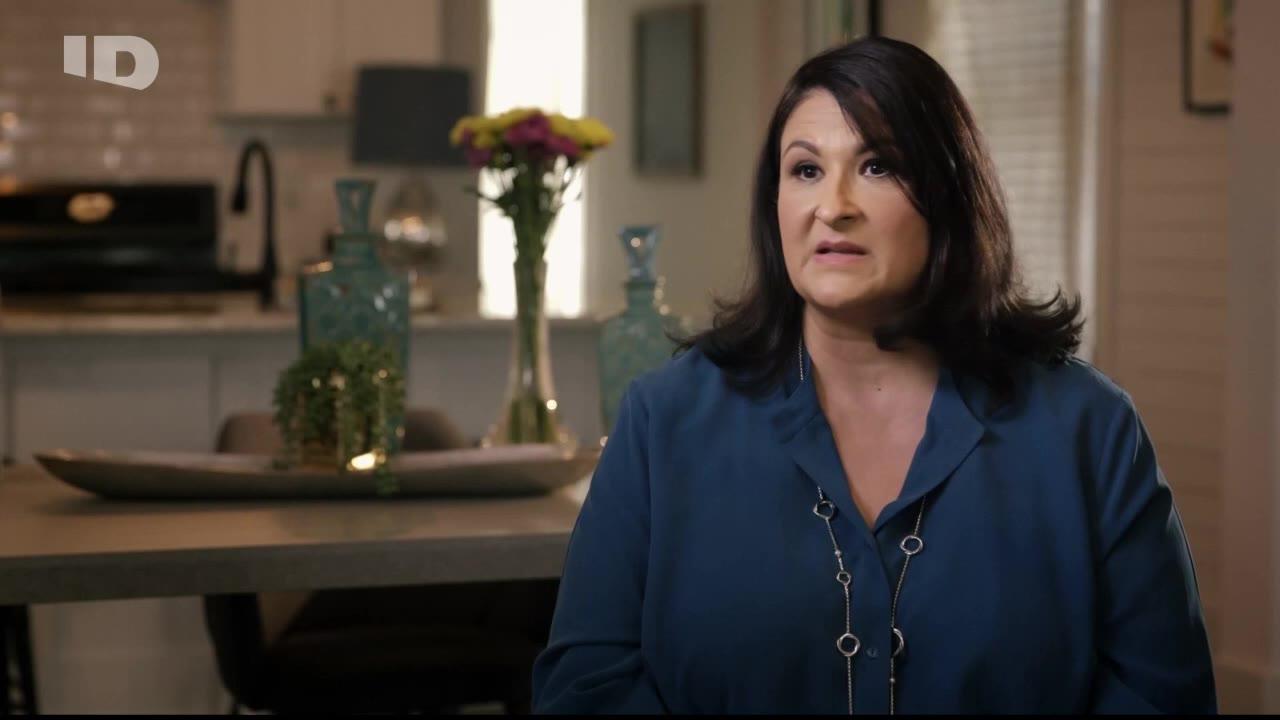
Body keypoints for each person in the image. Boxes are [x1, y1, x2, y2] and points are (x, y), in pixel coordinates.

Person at [531, 37, 1217, 714]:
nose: (833, 206)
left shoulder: (1088, 428)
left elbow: (1161, 696)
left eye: (878, 166)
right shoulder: (664, 419)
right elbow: (587, 687)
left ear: (950, 194)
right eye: (805, 170)